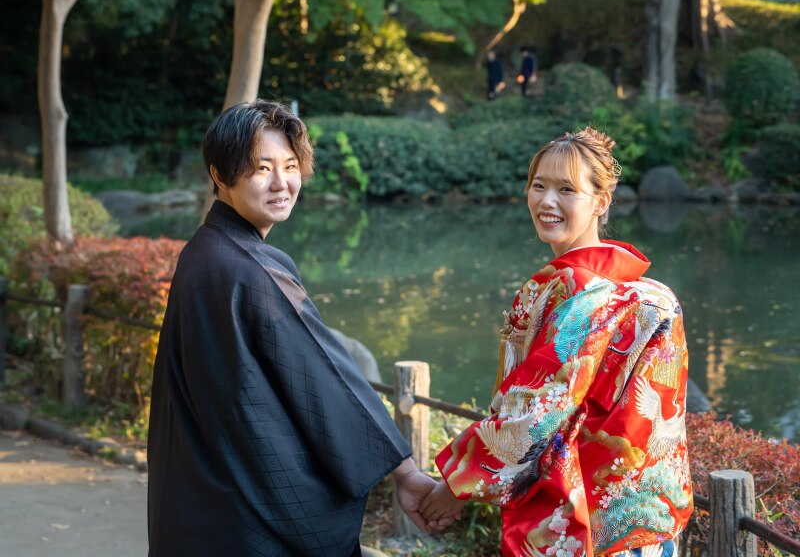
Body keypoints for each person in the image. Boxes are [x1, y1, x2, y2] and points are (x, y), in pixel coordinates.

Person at [148, 99, 436, 557]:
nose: (282, 183)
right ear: (219, 175)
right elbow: (324, 378)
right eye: (262, 168)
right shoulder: (252, 269)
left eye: (290, 165)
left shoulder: (203, 253)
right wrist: (405, 471)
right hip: (249, 525)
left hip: (201, 507)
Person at [420, 127, 693, 557]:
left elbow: (537, 414)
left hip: (590, 526)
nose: (547, 201)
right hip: (646, 520)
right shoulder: (649, 293)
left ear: (600, 202)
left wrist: (455, 486)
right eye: (538, 186)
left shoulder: (583, 295)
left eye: (567, 189)